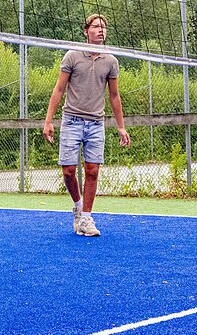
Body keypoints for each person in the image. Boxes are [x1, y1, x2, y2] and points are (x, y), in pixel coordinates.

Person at [43, 14, 131, 237]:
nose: (101, 30)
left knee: (92, 171)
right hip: (71, 120)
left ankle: (87, 218)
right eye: (96, 27)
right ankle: (78, 206)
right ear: (86, 31)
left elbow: (114, 96)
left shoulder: (111, 61)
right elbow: (59, 89)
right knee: (69, 172)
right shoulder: (72, 56)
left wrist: (121, 127)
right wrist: (48, 120)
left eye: (104, 27)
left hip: (95, 123)